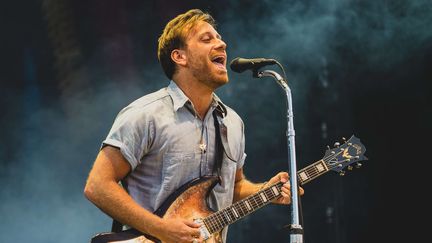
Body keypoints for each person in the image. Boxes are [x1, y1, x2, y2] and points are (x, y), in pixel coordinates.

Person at [84, 9, 304, 243]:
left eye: (219, 38)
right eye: (207, 39)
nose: (222, 44)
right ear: (180, 57)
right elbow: (98, 186)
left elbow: (233, 186)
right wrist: (161, 229)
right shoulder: (146, 115)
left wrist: (265, 192)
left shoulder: (232, 122)